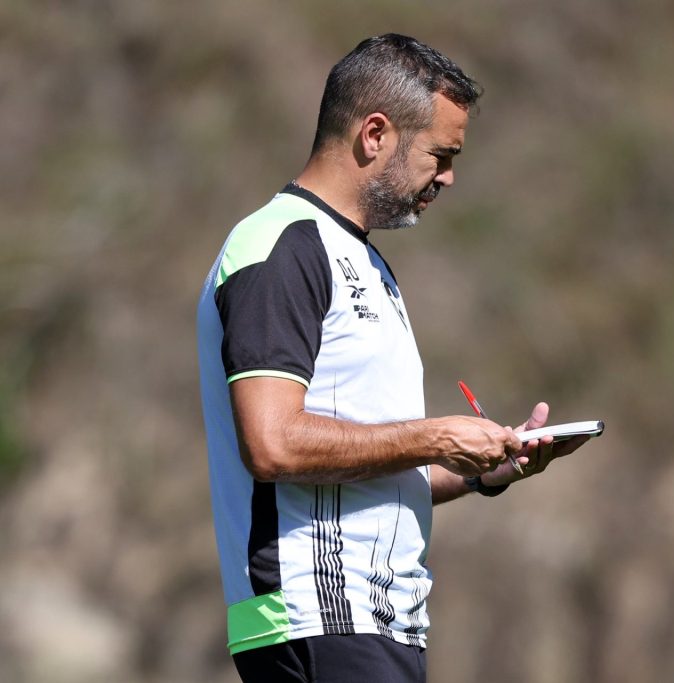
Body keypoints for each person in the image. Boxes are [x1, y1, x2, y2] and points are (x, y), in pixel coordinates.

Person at [196, 34, 591, 683]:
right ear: (375, 134)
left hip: (377, 622)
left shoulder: (367, 262)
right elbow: (271, 443)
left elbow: (375, 465)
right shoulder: (280, 246)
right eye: (441, 154)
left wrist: (487, 467)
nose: (450, 176)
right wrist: (435, 433)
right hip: (317, 617)